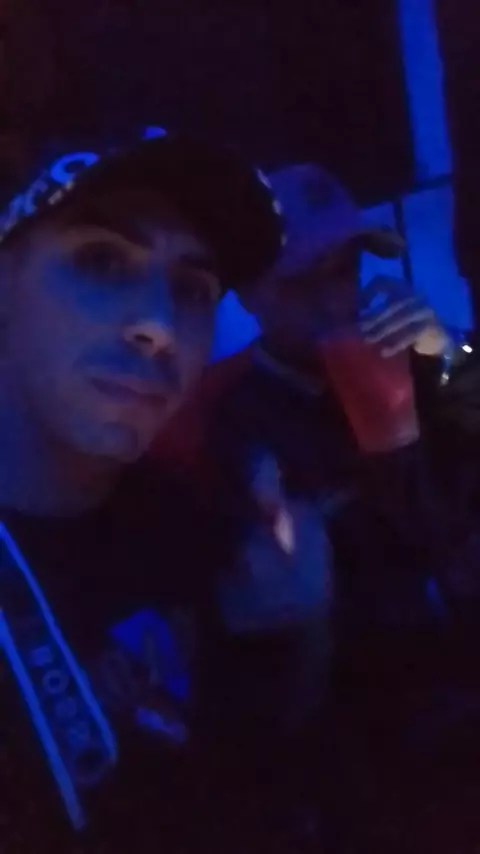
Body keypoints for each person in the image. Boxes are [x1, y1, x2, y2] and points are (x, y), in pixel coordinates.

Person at [0, 128, 333, 853]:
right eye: (101, 259)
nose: (161, 326)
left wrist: (301, 622)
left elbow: (255, 770)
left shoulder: (193, 526)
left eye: (192, 289)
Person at [153, 162, 480, 852]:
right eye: (307, 281)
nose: (338, 299)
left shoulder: (414, 357)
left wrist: (451, 354)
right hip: (385, 731)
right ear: (253, 296)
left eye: (349, 269)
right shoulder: (236, 427)